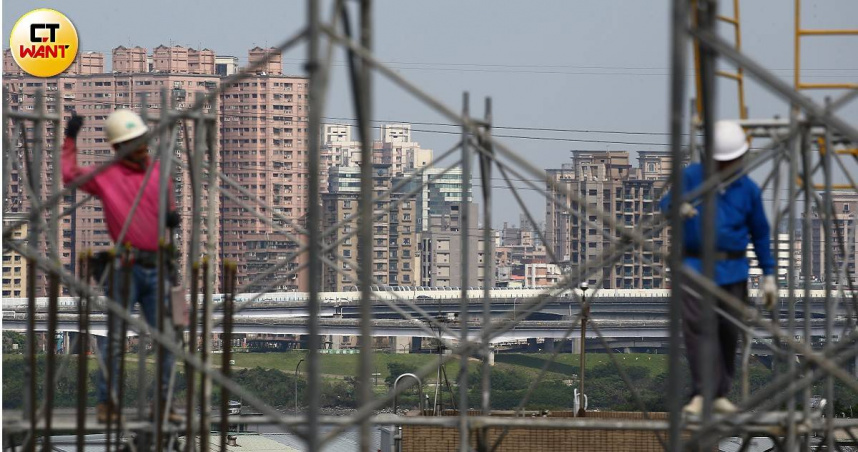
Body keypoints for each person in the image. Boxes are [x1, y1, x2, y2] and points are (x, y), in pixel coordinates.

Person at [62, 109, 179, 423]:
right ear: (118, 147)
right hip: (126, 268)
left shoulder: (160, 174)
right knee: (114, 339)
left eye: (141, 141)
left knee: (167, 339)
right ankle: (108, 403)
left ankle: (164, 403)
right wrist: (70, 139)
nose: (140, 148)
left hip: (157, 267)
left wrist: (170, 216)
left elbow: (168, 208)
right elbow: (69, 175)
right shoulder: (106, 175)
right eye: (132, 143)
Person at [660, 120, 777, 415]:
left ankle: (719, 392)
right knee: (697, 329)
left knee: (728, 330)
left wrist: (769, 274)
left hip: (733, 268)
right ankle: (702, 392)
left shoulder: (747, 189)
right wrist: (677, 206)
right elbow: (665, 204)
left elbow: (760, 233)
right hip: (695, 265)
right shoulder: (691, 177)